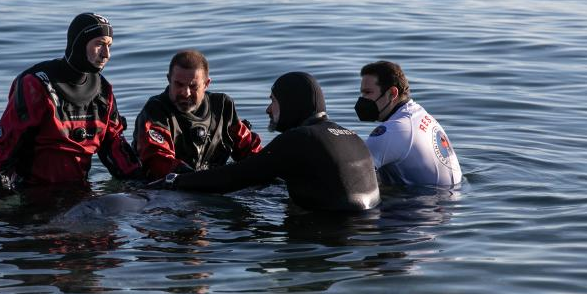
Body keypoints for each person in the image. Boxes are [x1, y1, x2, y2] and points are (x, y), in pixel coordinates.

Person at [153, 72, 380, 212]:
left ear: (290, 103)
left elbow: (234, 178)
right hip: (372, 227)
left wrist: (176, 181)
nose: (268, 109)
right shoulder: (350, 135)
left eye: (273, 101)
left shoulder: (299, 139)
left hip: (329, 235)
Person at [0, 13, 141, 193]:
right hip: (35, 196)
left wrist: (142, 185)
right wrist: (2, 197)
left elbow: (115, 148)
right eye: (99, 44)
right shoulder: (37, 84)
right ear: (80, 43)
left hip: (80, 194)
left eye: (109, 46)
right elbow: (6, 148)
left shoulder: (103, 91)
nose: (106, 54)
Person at [133, 50, 262, 179]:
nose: (185, 93)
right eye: (179, 84)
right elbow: (158, 163)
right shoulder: (156, 112)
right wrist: (207, 180)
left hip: (212, 185)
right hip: (164, 191)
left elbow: (249, 149)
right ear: (169, 80)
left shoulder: (222, 108)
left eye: (193, 86)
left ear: (206, 84)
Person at [355, 60, 462, 187]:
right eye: (362, 93)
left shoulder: (393, 130)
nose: (362, 99)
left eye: (368, 92)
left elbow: (352, 175)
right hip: (452, 197)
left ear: (392, 93)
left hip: (419, 203)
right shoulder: (419, 115)